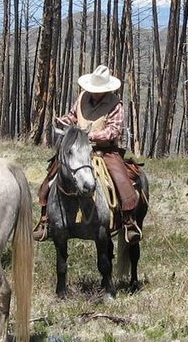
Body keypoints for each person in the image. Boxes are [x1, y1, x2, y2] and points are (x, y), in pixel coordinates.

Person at [33, 65, 141, 244]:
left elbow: (113, 131)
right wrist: (63, 122)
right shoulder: (83, 97)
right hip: (78, 149)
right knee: (51, 176)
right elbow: (72, 116)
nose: (94, 93)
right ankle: (45, 220)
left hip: (104, 150)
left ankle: (129, 222)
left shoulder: (115, 104)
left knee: (122, 181)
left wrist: (88, 135)